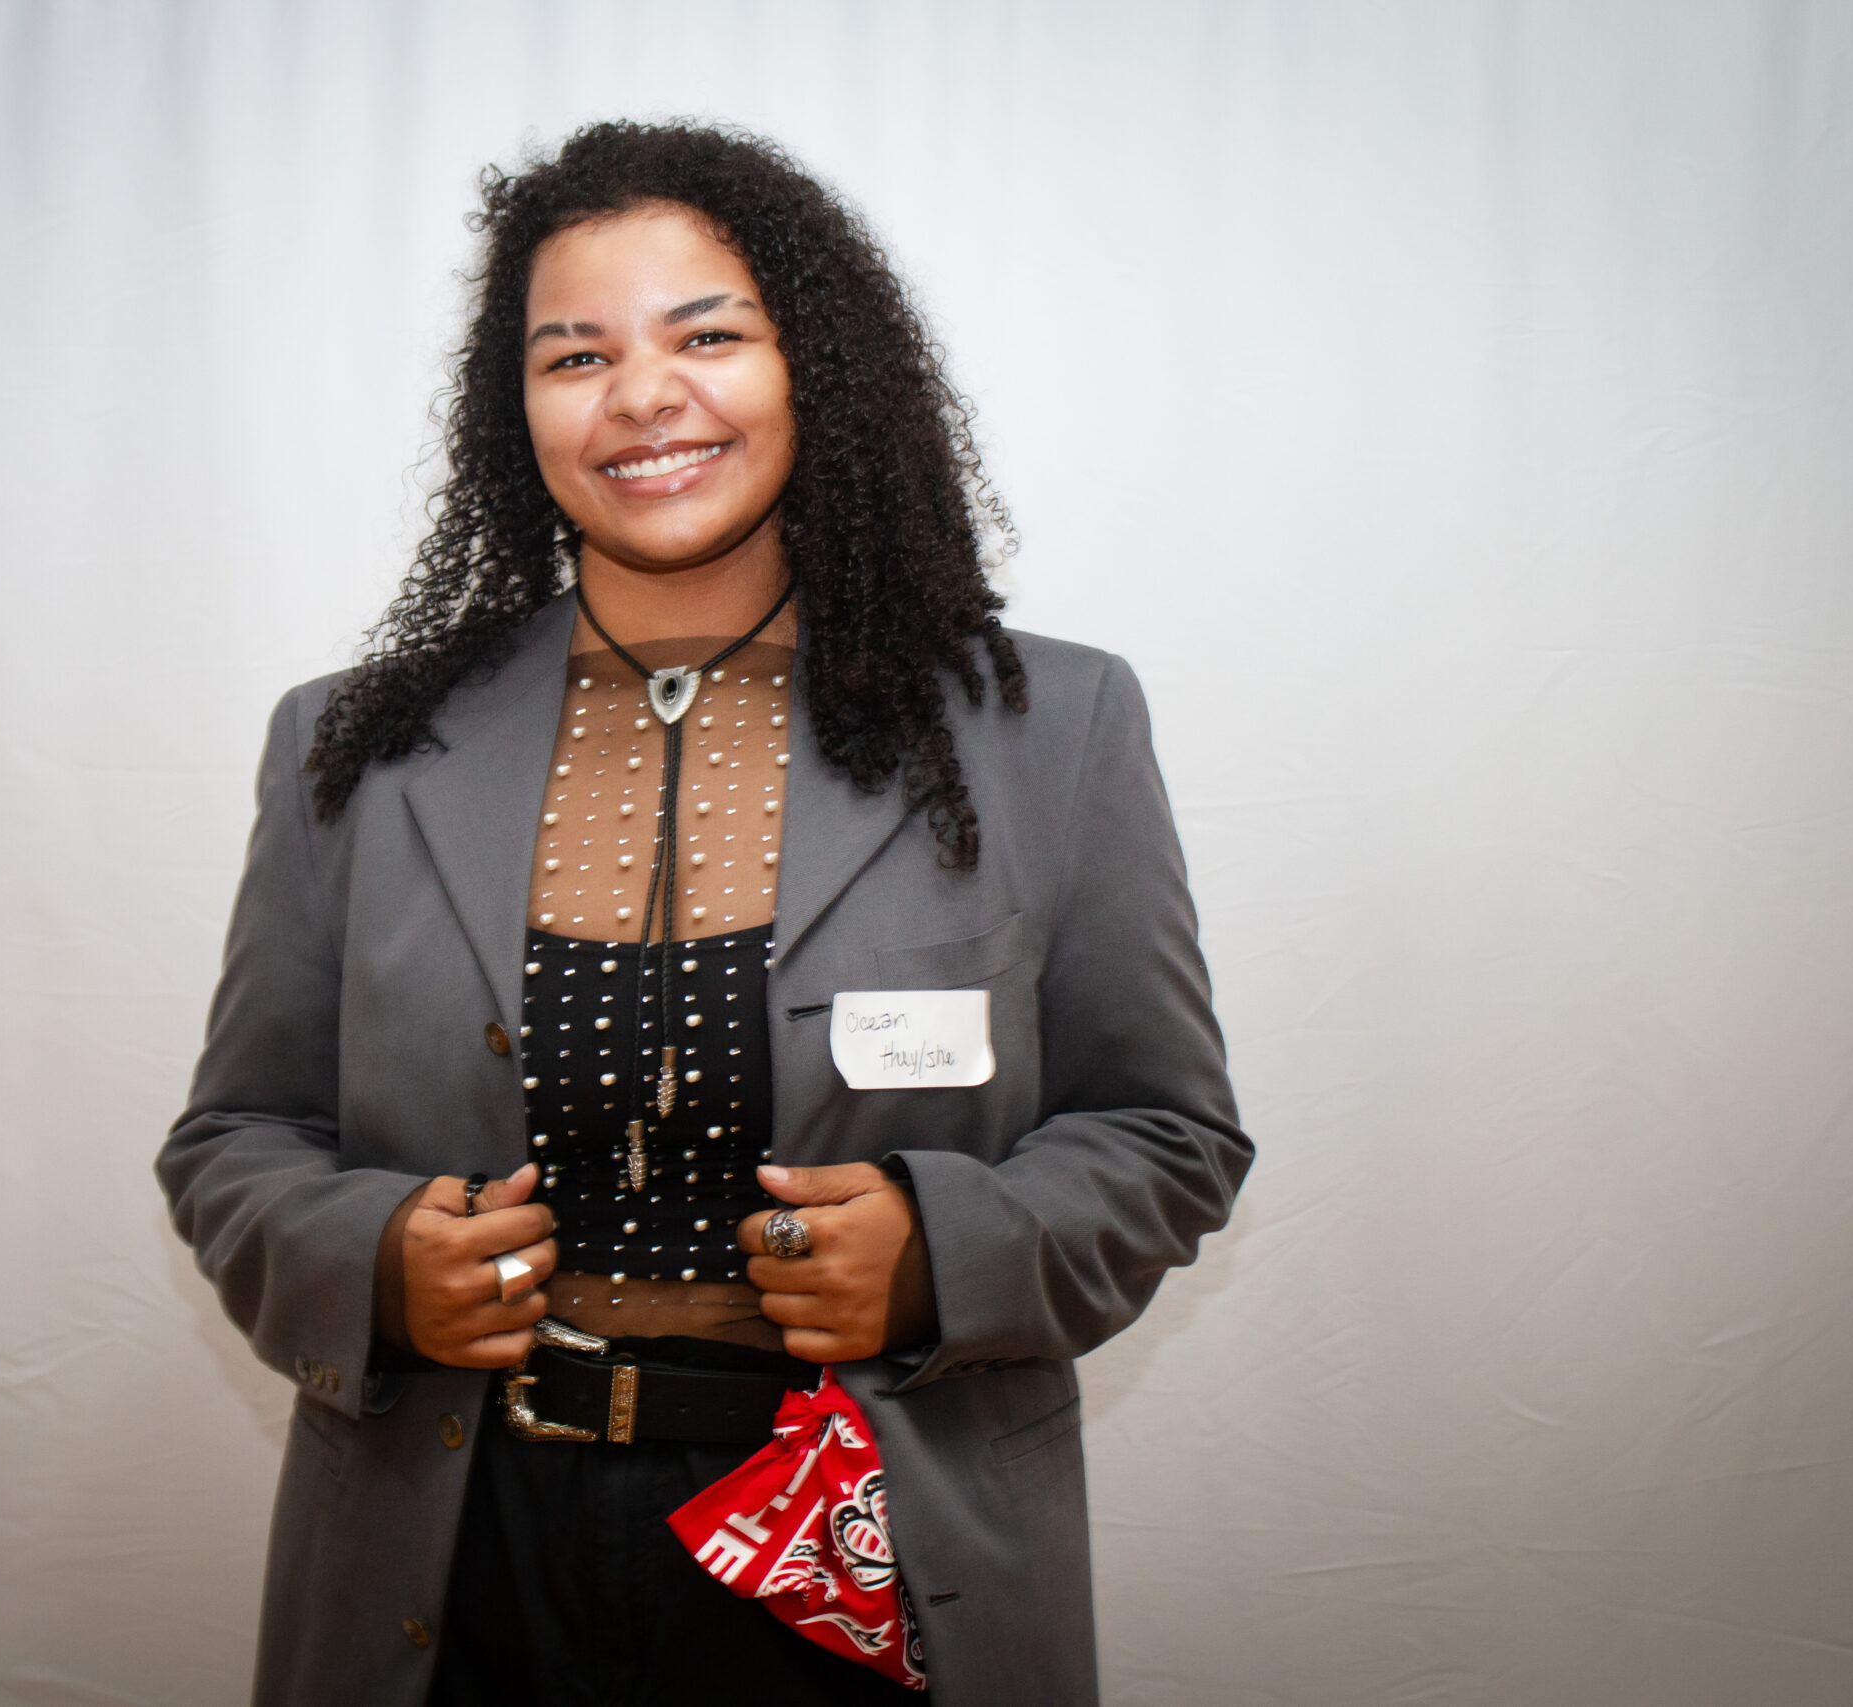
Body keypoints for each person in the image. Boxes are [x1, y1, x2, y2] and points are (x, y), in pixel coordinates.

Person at [158, 121, 1251, 1707]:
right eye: (574, 354)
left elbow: (1166, 1133)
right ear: (511, 408)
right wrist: (376, 1260)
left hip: (866, 1543)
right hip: (464, 1550)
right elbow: (237, 1136)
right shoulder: (359, 746)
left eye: (708, 335)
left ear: (818, 368)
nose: (643, 395)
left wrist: (948, 1251)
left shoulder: (1043, 726)